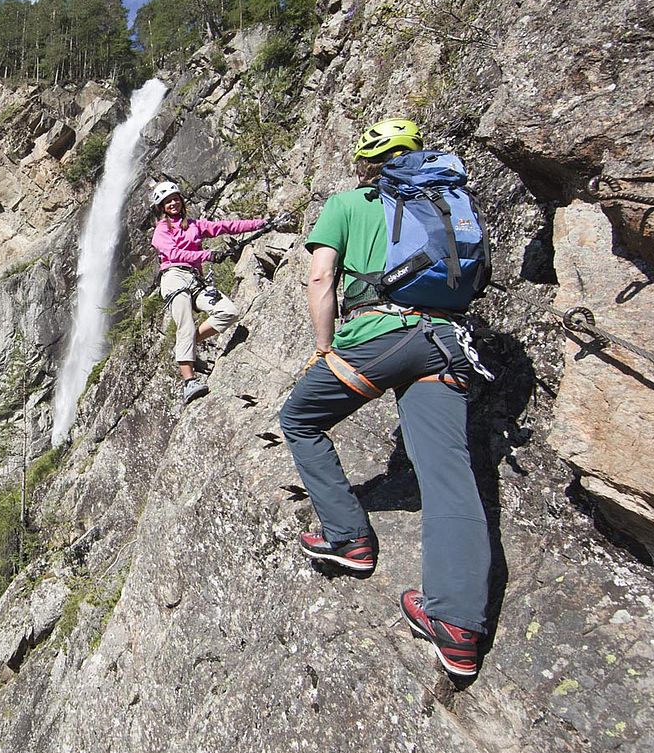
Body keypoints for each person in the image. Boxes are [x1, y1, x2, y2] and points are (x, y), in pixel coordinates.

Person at [278, 118, 492, 677]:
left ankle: (348, 538)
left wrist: (324, 347)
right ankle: (458, 624)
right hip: (445, 343)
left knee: (300, 417)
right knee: (450, 476)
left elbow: (321, 278)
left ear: (364, 161)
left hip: (380, 337)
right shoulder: (448, 202)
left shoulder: (347, 204)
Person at [149, 181, 270, 404]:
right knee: (184, 324)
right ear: (161, 207)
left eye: (176, 198)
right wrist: (207, 255)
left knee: (228, 311)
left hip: (196, 279)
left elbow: (227, 226)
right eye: (168, 201)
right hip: (174, 277)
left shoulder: (193, 225)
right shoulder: (161, 231)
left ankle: (187, 344)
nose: (173, 203)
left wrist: (261, 223)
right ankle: (189, 382)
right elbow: (174, 254)